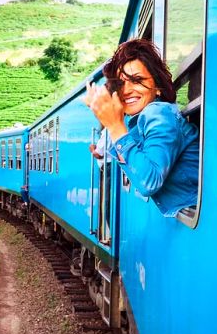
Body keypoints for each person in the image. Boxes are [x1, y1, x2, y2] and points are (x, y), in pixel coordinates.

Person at [83, 39, 199, 217]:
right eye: (121, 84)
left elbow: (149, 182)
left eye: (137, 80)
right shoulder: (141, 119)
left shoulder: (158, 113)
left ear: (157, 87)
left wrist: (114, 125)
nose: (127, 90)